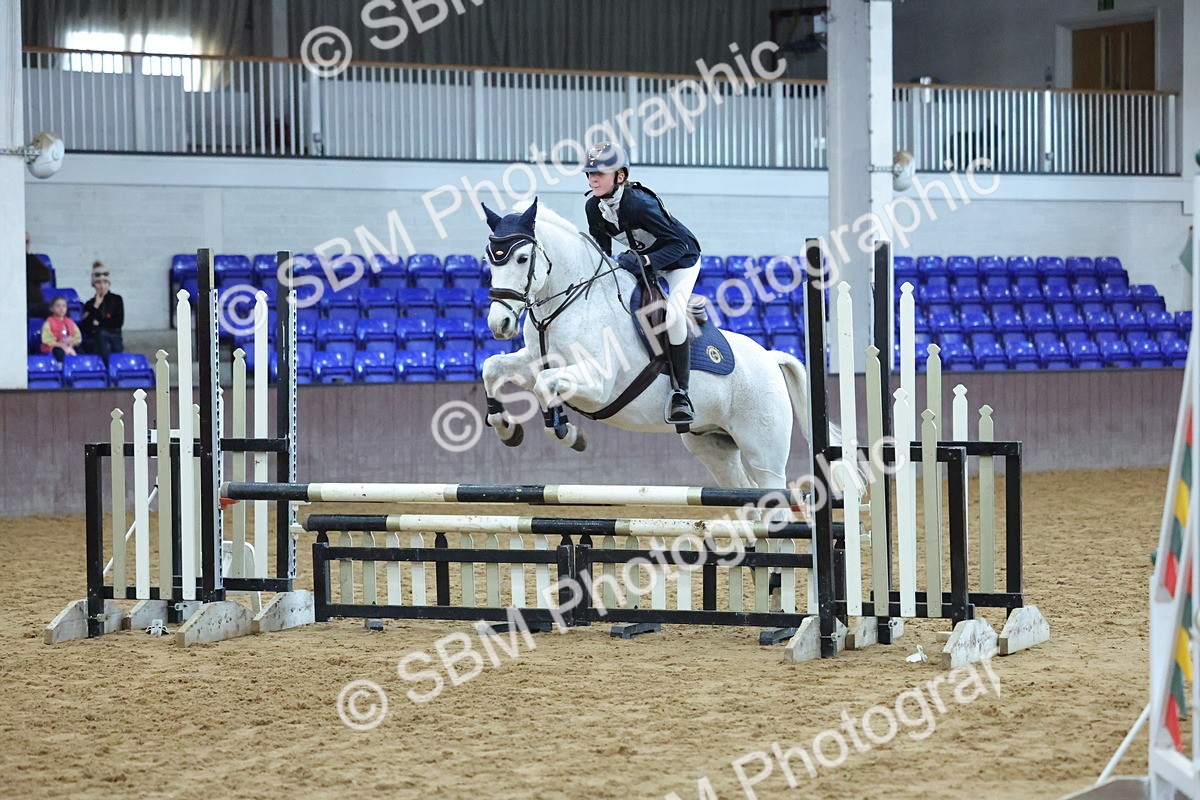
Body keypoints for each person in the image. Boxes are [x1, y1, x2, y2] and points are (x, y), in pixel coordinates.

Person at [583, 142, 702, 425]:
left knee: (673, 315)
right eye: (590, 174)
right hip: (643, 262)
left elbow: (679, 244)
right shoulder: (593, 207)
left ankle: (680, 393)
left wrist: (645, 262)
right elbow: (603, 254)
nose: (594, 179)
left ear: (620, 176)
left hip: (680, 262)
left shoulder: (639, 204)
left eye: (600, 173)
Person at [81, 260, 125, 361]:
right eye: (98, 283)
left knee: (103, 336)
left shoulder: (117, 299)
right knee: (100, 337)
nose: (102, 286)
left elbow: (117, 322)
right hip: (96, 339)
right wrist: (95, 306)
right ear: (94, 285)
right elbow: (87, 327)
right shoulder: (90, 304)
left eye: (105, 282)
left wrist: (98, 322)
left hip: (114, 337)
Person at [41, 296, 82, 362]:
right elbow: (46, 339)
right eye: (58, 306)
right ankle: (61, 366)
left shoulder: (70, 322)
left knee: (80, 349)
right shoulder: (49, 322)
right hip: (55, 347)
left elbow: (77, 337)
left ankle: (79, 367)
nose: (61, 308)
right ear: (51, 309)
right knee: (58, 351)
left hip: (69, 345)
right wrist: (61, 345)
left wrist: (72, 343)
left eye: (64, 306)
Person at [25, 232, 51, 319]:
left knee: (59, 310)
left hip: (34, 303)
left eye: (27, 242)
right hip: (15, 304)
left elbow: (46, 275)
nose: (25, 245)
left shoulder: (31, 259)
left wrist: (26, 273)